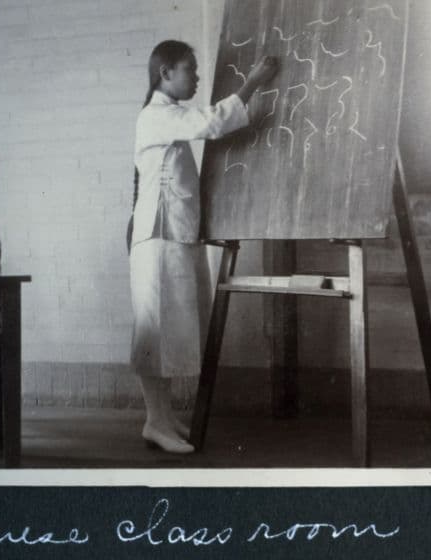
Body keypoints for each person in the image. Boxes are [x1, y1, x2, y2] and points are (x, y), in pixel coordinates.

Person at [129, 40, 278, 453]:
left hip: (172, 235)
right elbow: (210, 123)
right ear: (165, 74)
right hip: (158, 238)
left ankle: (161, 417)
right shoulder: (156, 116)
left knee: (171, 329)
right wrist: (251, 85)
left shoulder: (166, 115)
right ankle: (155, 421)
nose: (195, 77)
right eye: (189, 70)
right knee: (157, 330)